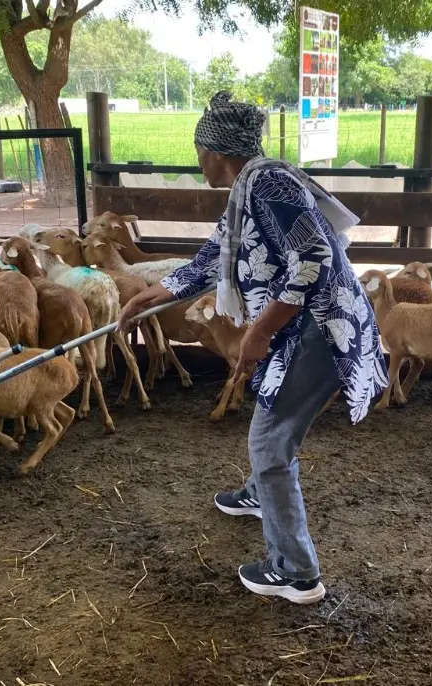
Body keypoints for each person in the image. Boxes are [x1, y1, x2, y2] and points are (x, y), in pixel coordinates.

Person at [117, 91, 387, 604]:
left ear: (214, 151)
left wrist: (259, 331)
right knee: (272, 421)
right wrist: (159, 290)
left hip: (319, 329)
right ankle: (262, 494)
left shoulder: (268, 184)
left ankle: (296, 571)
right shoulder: (250, 188)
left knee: (269, 440)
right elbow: (217, 251)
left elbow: (314, 258)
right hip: (303, 325)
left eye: (199, 151)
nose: (198, 161)